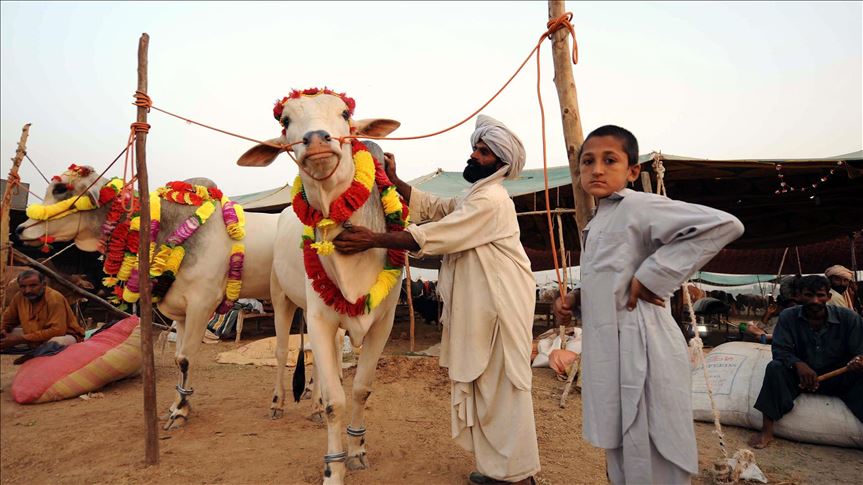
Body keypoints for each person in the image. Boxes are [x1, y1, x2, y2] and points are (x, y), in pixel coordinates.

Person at [334, 115, 539, 485]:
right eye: (475, 149)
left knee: (502, 387)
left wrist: (372, 240)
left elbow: (435, 233)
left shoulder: (492, 201)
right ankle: (497, 471)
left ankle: (520, 476)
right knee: (484, 387)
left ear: (502, 162)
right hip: (479, 305)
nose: (474, 156)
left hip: (498, 306)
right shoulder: (474, 195)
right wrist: (395, 181)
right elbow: (436, 207)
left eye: (483, 151)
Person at [553, 125, 744, 484]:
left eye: (610, 160)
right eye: (587, 162)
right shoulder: (598, 220)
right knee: (623, 447)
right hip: (611, 350)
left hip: (644, 343)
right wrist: (575, 299)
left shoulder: (639, 205)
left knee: (652, 445)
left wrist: (654, 274)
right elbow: (610, 279)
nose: (596, 169)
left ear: (632, 171)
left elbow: (724, 225)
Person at [747, 275, 863, 449]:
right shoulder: (788, 316)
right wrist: (798, 365)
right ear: (798, 296)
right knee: (775, 368)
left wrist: (857, 360)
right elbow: (780, 349)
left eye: (820, 295)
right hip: (800, 376)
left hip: (838, 375)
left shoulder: (850, 318)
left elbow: (859, 351)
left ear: (828, 297)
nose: (815, 301)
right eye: (808, 295)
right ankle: (767, 431)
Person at [1, 270, 85, 351]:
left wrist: (22, 339)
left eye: (33, 286)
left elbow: (58, 331)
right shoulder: (19, 297)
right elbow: (8, 321)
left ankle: (35, 355)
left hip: (63, 336)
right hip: (33, 335)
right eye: (23, 286)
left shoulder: (54, 298)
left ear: (43, 284)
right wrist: (3, 330)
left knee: (54, 344)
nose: (28, 290)